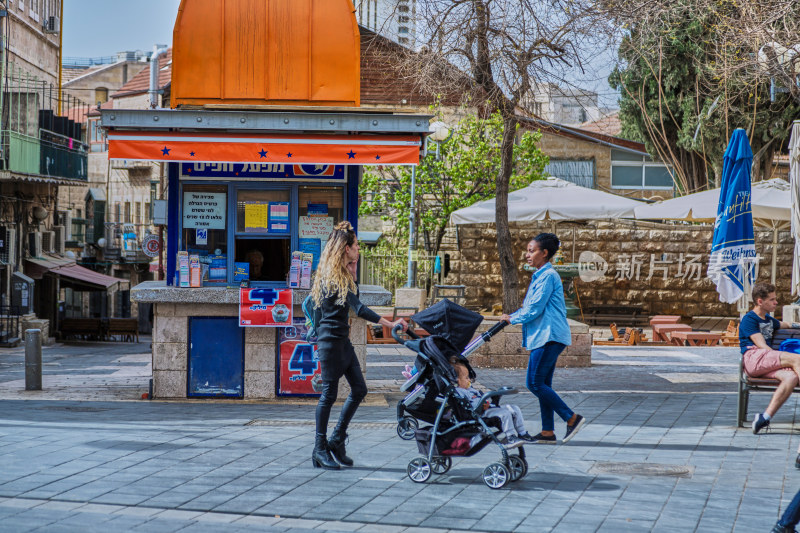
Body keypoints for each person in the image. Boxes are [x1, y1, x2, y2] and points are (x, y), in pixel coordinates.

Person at [310, 221, 407, 470]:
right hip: (330, 342)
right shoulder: (332, 278)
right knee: (329, 395)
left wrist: (352, 270)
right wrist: (389, 322)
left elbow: (348, 303)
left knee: (359, 389)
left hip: (341, 341)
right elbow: (359, 308)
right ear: (346, 248)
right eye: (356, 246)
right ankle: (319, 448)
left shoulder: (341, 274)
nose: (359, 250)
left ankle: (337, 439)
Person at [500, 233, 586, 444]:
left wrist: (512, 318)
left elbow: (534, 309)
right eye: (528, 251)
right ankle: (547, 431)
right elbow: (532, 307)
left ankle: (571, 418)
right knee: (543, 384)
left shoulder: (548, 276)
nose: (527, 255)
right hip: (545, 335)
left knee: (535, 383)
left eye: (532, 250)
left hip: (549, 336)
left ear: (544, 253)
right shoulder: (540, 275)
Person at [739, 282, 800, 434]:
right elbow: (761, 346)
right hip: (754, 357)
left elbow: (784, 324)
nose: (776, 302)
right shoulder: (749, 320)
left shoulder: (768, 320)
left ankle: (764, 417)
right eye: (772, 299)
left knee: (791, 377)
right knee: (797, 359)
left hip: (765, 362)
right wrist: (782, 358)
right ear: (760, 301)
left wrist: (797, 325)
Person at [449, 356, 536, 448]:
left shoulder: (469, 388)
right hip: (479, 413)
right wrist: (481, 405)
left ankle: (522, 433)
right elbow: (468, 405)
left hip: (489, 408)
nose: (469, 380)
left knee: (515, 408)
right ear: (456, 380)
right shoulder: (459, 391)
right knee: (505, 413)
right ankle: (510, 437)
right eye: (466, 378)